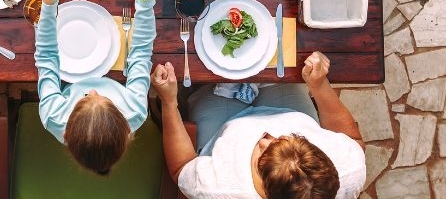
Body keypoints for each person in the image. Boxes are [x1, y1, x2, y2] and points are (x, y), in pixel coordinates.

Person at [152, 52, 366, 198]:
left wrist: (169, 102)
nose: (267, 135)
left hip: (224, 125)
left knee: (210, 69)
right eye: (291, 137)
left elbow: (181, 167)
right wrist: (319, 86)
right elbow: (352, 138)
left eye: (262, 151)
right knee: (276, 59)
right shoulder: (350, 170)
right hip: (288, 110)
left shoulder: (219, 190)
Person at [34, 0, 157, 174]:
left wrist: (48, 2)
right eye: (104, 99)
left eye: (84, 99)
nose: (92, 90)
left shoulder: (53, 116)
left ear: (66, 135)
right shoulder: (136, 110)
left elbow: (46, 57)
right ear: (128, 132)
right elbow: (141, 54)